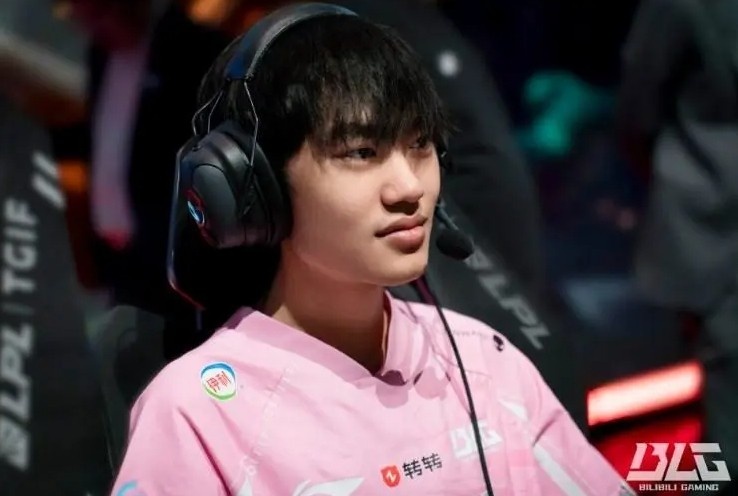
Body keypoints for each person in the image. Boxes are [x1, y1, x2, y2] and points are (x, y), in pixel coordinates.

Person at [111, 5, 632, 495]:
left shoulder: (482, 360)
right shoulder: (197, 414)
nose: (409, 187)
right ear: (256, 189)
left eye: (420, 145)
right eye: (361, 152)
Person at [50, 0, 229, 321]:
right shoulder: (101, 55)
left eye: (97, 14)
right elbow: (101, 139)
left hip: (173, 264)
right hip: (118, 259)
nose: (91, 27)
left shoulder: (194, 49)